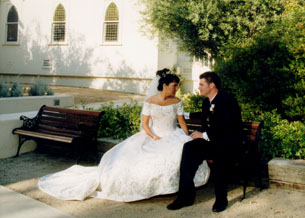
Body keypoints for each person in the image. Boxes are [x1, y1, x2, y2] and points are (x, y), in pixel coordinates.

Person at [38, 70, 210, 202]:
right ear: (164, 85)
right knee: (129, 160)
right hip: (154, 135)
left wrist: (186, 135)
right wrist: (153, 136)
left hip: (173, 135)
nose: (176, 88)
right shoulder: (150, 102)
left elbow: (181, 122)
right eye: (174, 85)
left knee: (179, 153)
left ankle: (174, 188)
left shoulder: (177, 102)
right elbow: (144, 124)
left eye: (177, 86)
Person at [167, 71, 243, 212]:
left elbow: (227, 127)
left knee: (219, 155)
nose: (199, 87)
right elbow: (206, 121)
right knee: (189, 148)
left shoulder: (227, 100)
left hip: (229, 143)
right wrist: (200, 133)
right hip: (212, 140)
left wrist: (203, 135)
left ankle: (221, 199)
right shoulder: (206, 101)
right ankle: (185, 197)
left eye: (201, 84)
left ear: (212, 85)